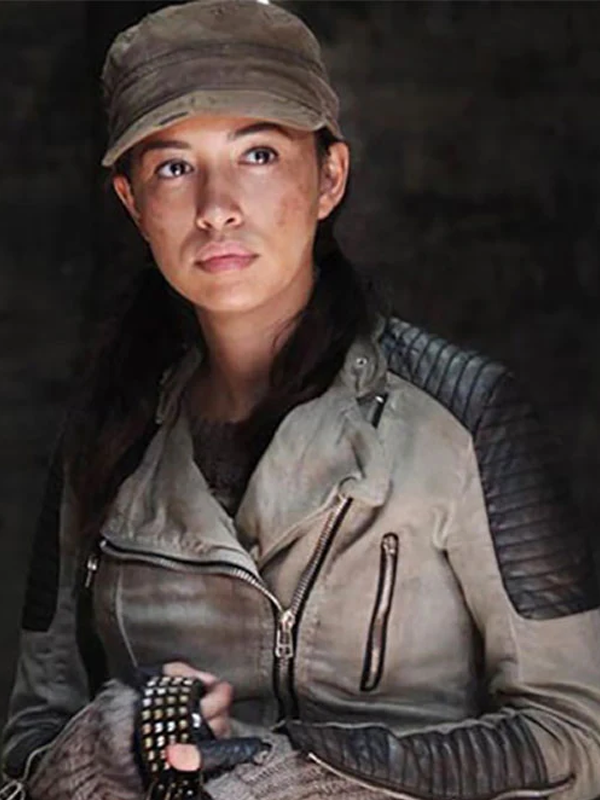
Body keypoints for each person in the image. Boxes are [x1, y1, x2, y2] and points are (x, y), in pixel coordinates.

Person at [3, 1, 600, 799]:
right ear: (132, 202)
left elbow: (578, 738)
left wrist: (306, 773)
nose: (217, 206)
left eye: (258, 154)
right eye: (174, 167)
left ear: (329, 177)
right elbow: (26, 752)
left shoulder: (465, 419)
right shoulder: (101, 435)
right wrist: (103, 747)